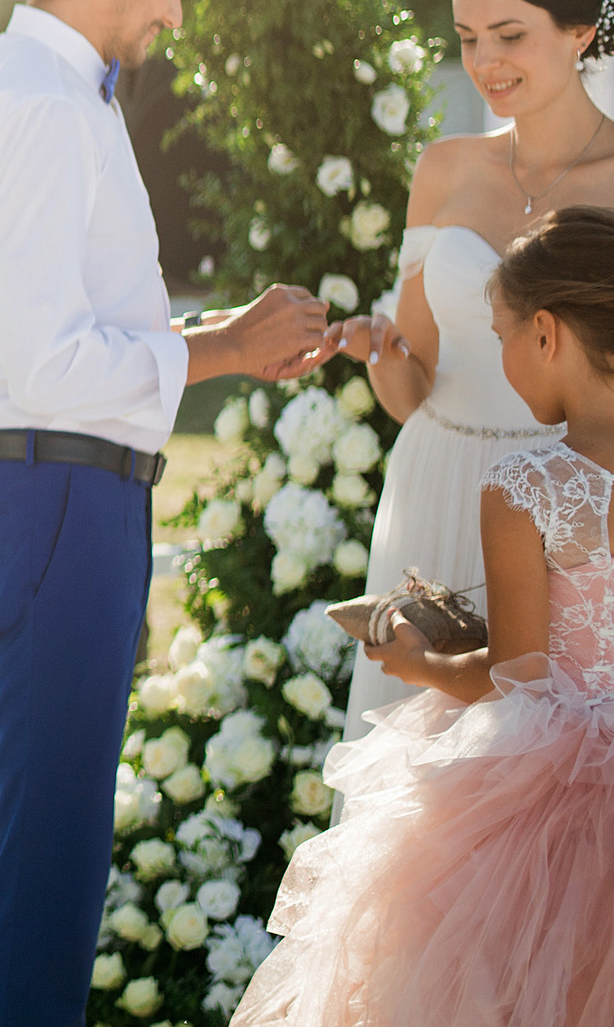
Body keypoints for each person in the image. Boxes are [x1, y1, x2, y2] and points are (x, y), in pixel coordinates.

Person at [0, 0, 331, 1025]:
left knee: (45, 853)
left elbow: (74, 326)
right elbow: (55, 364)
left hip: (55, 493)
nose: (173, 11)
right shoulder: (47, 107)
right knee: (49, 869)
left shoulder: (38, 89)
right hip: (60, 494)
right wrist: (224, 350)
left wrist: (220, 326)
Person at [233, 205, 614, 1026]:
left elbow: (519, 683)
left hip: (562, 812)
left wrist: (415, 662)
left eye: (503, 334)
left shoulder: (530, 486)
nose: (503, 357)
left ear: (546, 333)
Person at [322, 0, 614, 733]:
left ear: (580, 30)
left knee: (539, 747)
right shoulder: (444, 169)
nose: (485, 62)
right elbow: (414, 383)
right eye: (468, 37)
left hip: (566, 513)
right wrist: (379, 353)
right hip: (437, 483)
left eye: (510, 34)